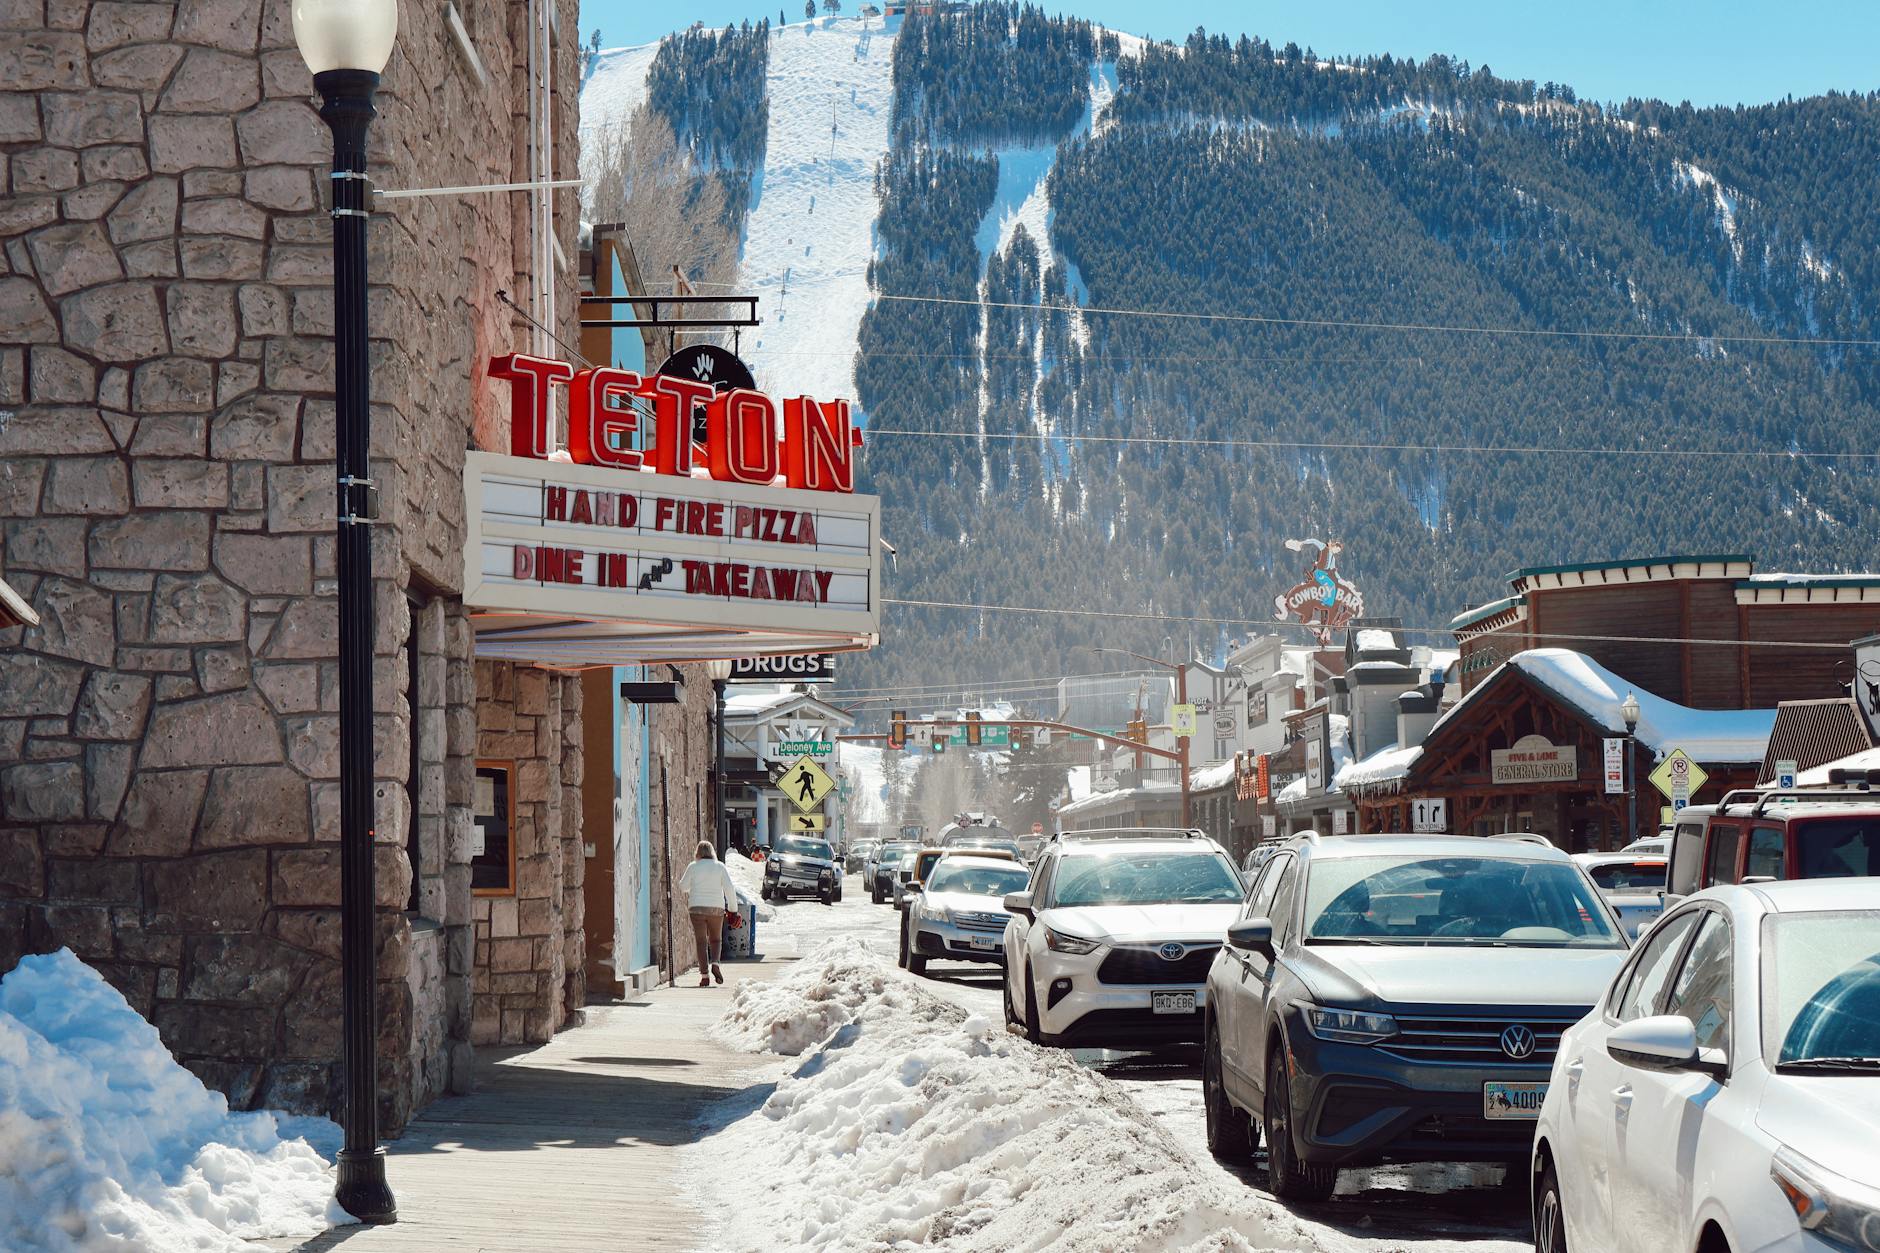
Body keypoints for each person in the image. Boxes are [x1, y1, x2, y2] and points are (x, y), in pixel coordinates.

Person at [679, 840, 739, 987]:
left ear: (697, 853)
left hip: (696, 908)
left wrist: (694, 886)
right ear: (712, 852)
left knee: (701, 941)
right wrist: (733, 910)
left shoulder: (693, 867)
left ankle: (704, 976)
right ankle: (716, 963)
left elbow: (683, 886)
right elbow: (729, 889)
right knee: (716, 940)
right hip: (716, 908)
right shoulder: (719, 867)